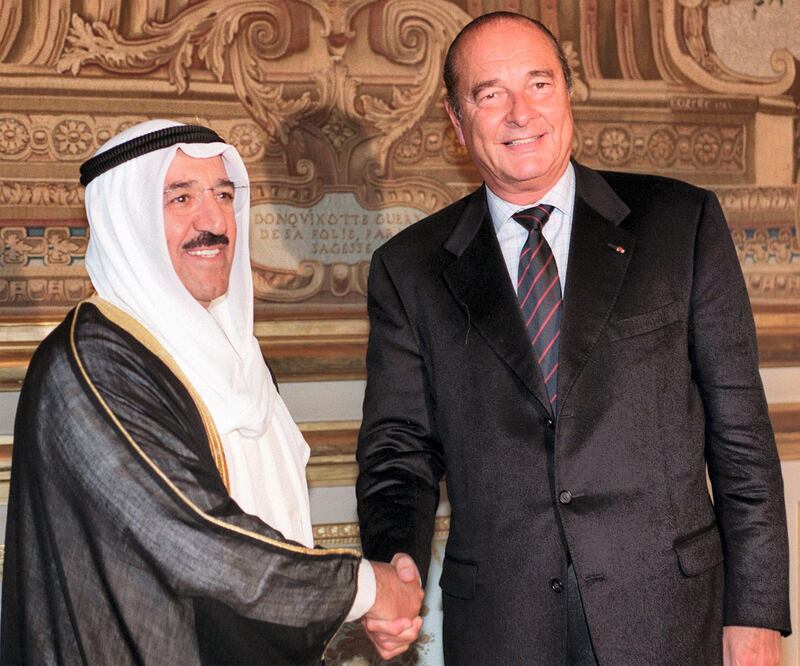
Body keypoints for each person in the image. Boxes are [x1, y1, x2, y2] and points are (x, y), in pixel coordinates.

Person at [356, 12, 790, 665]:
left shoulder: (680, 225)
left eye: (538, 84)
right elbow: (399, 454)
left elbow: (742, 439)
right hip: (505, 628)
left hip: (669, 621)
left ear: (566, 92)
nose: (519, 113)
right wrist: (396, 566)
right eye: (490, 93)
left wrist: (755, 616)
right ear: (455, 119)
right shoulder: (409, 269)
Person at [1, 120, 422, 665]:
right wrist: (367, 589)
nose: (214, 221)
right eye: (180, 198)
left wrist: (364, 602)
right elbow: (193, 536)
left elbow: (267, 525)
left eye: (224, 195)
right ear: (129, 224)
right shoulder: (91, 362)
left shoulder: (233, 355)